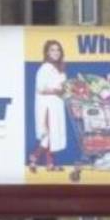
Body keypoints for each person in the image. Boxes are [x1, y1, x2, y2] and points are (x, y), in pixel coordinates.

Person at [30, 40, 68, 172]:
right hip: (47, 106)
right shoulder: (45, 68)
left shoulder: (60, 69)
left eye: (58, 50)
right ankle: (38, 159)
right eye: (52, 50)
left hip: (57, 105)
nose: (56, 52)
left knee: (53, 135)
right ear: (47, 52)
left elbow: (63, 87)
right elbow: (40, 89)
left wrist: (67, 90)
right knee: (49, 134)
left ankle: (44, 162)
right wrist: (56, 91)